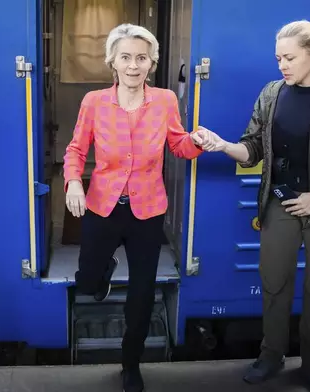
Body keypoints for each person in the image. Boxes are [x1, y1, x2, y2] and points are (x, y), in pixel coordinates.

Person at [195, 20, 310, 392]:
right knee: (274, 283)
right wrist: (223, 145)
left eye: (290, 57)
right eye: (278, 57)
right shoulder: (271, 93)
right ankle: (271, 355)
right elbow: (253, 149)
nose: (282, 65)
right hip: (280, 204)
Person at [63, 23, 205, 392]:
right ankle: (104, 268)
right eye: (125, 57)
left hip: (147, 210)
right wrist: (74, 182)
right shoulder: (94, 102)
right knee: (88, 280)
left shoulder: (164, 101)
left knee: (142, 293)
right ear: (112, 61)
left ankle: (131, 364)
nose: (133, 65)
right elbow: (76, 150)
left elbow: (178, 146)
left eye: (141, 58)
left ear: (152, 63)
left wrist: (198, 141)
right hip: (103, 206)